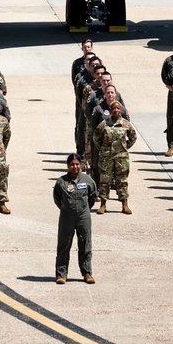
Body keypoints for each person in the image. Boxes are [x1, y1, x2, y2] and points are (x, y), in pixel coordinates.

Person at [52, 153, 97, 284]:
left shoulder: (88, 180)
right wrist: (67, 209)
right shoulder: (61, 182)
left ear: (81, 165)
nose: (75, 167)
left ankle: (87, 273)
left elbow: (92, 197)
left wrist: (84, 209)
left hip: (83, 216)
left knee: (85, 243)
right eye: (72, 164)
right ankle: (61, 274)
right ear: (68, 166)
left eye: (77, 164)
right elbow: (57, 198)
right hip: (67, 216)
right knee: (64, 245)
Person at [95, 101, 137, 215]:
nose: (116, 110)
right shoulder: (105, 124)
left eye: (118, 108)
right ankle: (103, 204)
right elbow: (96, 137)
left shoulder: (126, 124)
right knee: (104, 181)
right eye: (114, 108)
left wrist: (124, 147)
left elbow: (133, 137)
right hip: (106, 157)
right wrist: (103, 149)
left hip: (121, 157)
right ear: (110, 110)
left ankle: (125, 204)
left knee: (122, 181)